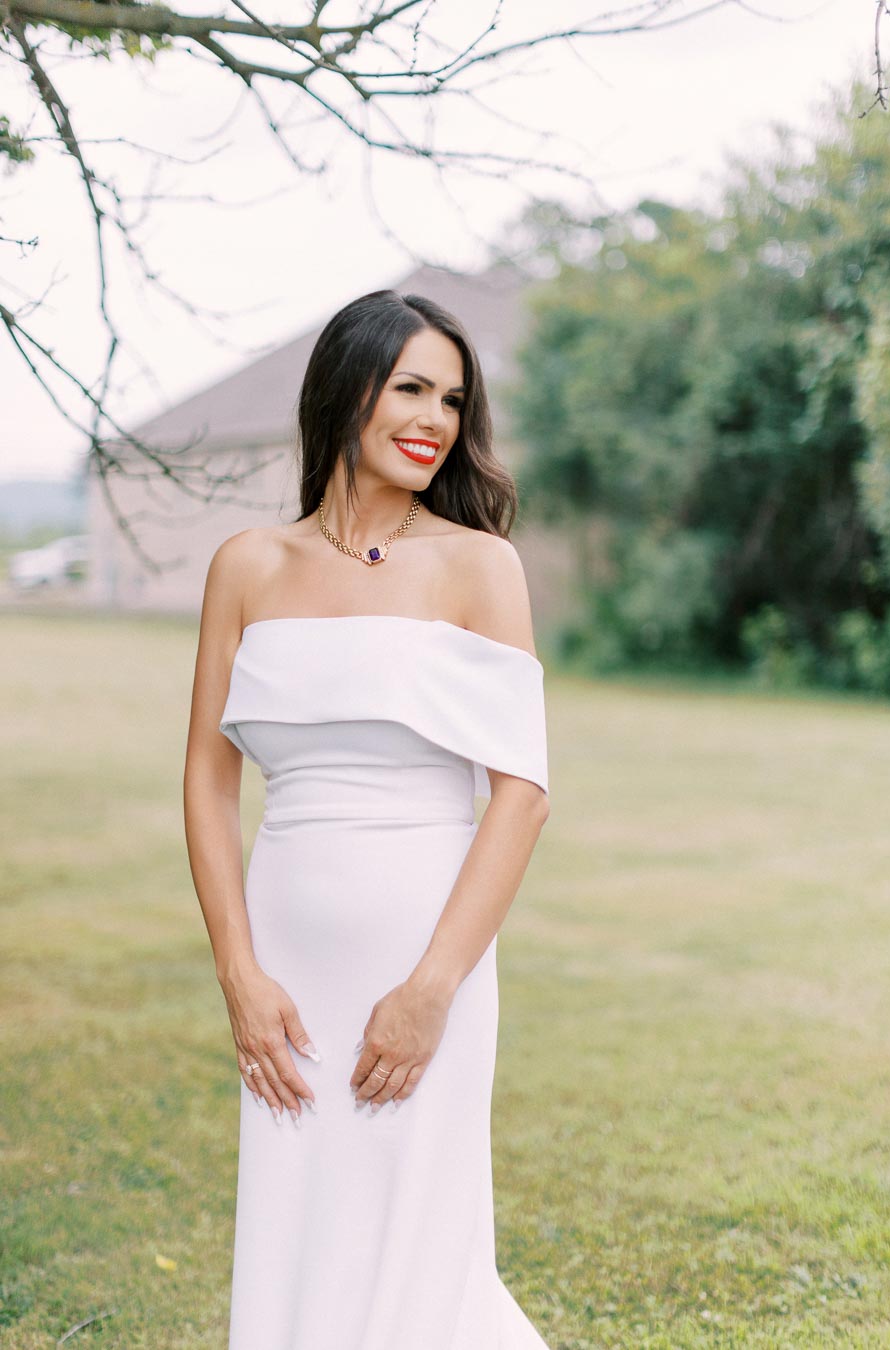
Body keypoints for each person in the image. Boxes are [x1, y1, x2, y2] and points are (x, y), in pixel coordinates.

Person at [183, 287, 552, 1349]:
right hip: (286, 963)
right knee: (300, 1224)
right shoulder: (247, 566)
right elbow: (209, 784)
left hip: (425, 954)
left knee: (417, 1241)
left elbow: (520, 793)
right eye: (410, 389)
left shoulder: (480, 565)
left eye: (452, 398)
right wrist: (240, 976)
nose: (435, 418)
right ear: (348, 390)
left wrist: (433, 989)